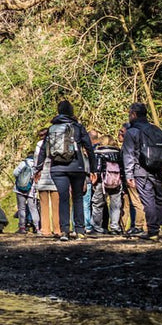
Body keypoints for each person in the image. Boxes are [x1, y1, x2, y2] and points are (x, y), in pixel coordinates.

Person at [35, 100, 96, 241]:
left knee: (63, 198)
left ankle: (64, 231)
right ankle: (80, 230)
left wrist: (38, 168)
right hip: (77, 167)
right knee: (77, 197)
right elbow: (89, 148)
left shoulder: (52, 128)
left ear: (59, 111)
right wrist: (93, 168)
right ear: (71, 111)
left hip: (57, 168)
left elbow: (44, 149)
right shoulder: (78, 127)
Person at [121, 103, 162, 241]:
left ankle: (153, 230)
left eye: (129, 114)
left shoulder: (132, 132)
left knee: (148, 200)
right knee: (159, 199)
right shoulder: (156, 129)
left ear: (134, 114)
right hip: (157, 168)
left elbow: (128, 155)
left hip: (141, 170)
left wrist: (129, 175)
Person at [89, 134, 124, 234]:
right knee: (115, 204)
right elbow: (122, 167)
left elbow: (98, 168)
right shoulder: (118, 152)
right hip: (116, 181)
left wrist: (95, 181)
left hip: (102, 182)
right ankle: (114, 227)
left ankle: (96, 226)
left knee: (97, 203)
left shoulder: (98, 152)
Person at [119, 123, 148, 237]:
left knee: (136, 202)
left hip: (134, 174)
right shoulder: (141, 141)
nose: (120, 134)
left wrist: (129, 175)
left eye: (122, 131)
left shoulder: (130, 143)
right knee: (128, 204)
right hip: (138, 174)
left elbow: (128, 159)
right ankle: (131, 226)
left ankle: (138, 226)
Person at [32, 129, 60, 237]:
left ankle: (45, 229)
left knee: (43, 204)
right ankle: (58, 229)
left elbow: (36, 160)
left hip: (42, 176)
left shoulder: (40, 145)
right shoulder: (57, 143)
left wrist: (35, 172)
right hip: (55, 175)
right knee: (56, 205)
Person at [12, 153, 40, 233]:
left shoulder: (23, 163)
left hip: (19, 189)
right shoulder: (37, 165)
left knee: (21, 208)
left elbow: (15, 173)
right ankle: (37, 228)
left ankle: (22, 228)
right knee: (33, 209)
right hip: (32, 190)